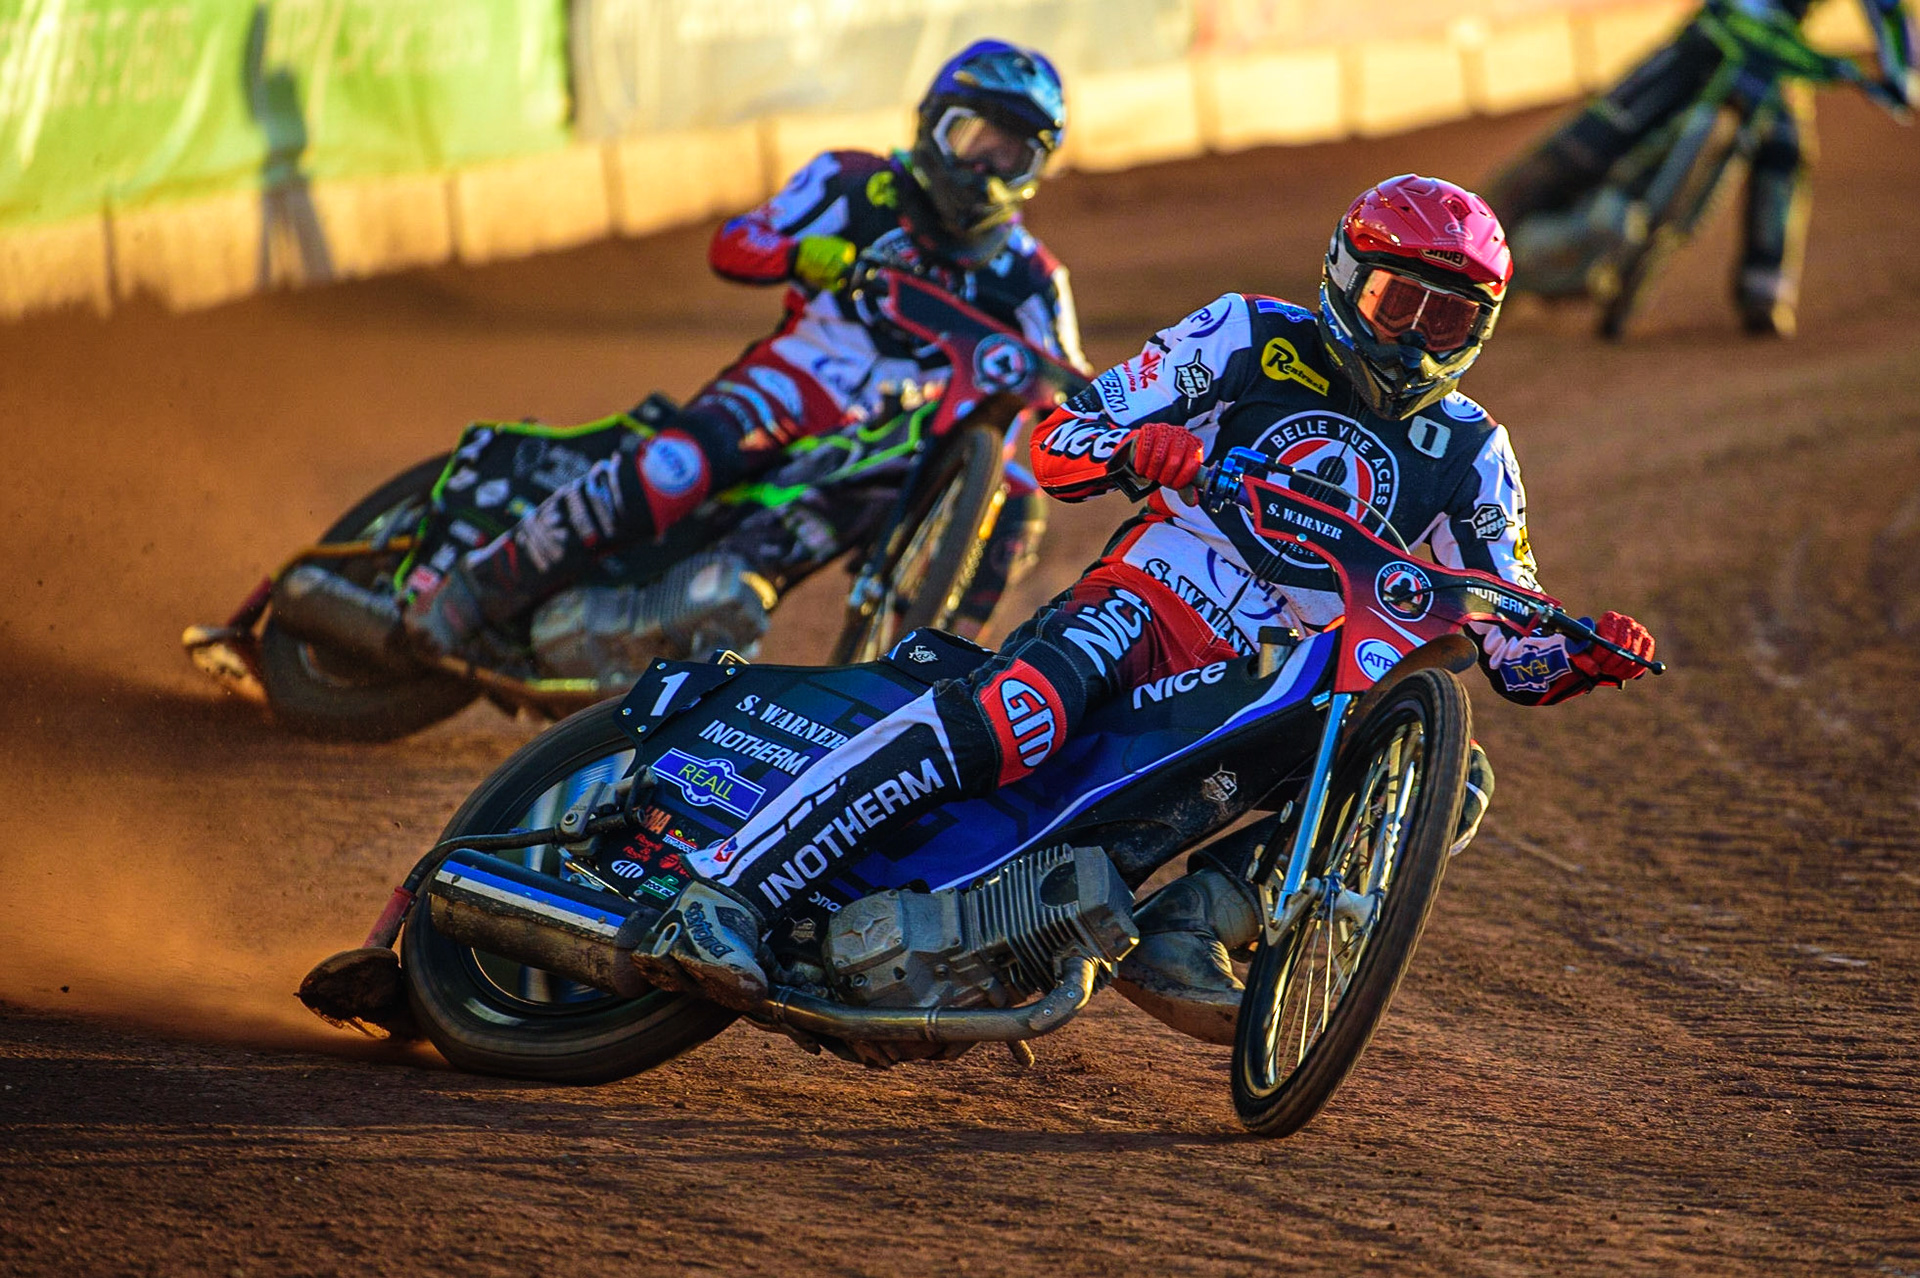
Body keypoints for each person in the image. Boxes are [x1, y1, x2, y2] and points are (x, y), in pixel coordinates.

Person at [627, 175, 1659, 1041]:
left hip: (1290, 682)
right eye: (1402, 304)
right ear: (1347, 281)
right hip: (1154, 600)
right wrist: (1134, 449)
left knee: (1450, 776)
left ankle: (1189, 929)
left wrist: (1582, 655)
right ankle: (727, 891)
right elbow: (1054, 442)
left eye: (1452, 318)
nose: (1420, 341)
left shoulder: (1476, 450)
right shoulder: (1247, 333)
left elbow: (1512, 634)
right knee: (1013, 714)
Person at [404, 40, 1087, 656]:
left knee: (1018, 502)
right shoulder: (853, 182)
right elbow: (735, 244)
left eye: (1011, 154)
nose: (984, 170)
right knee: (671, 469)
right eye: (972, 139)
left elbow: (1076, 389)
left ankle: (929, 673)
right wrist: (803, 255)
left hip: (890, 453)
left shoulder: (1033, 275)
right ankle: (477, 586)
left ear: (1036, 169)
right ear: (931, 124)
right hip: (792, 384)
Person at [1488, 0, 1915, 337]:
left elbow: (1891, 14)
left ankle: (1764, 291)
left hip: (1771, 56)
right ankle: (1483, 251)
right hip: (1713, 36)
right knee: (1603, 129)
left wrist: (1905, 77)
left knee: (1784, 150)